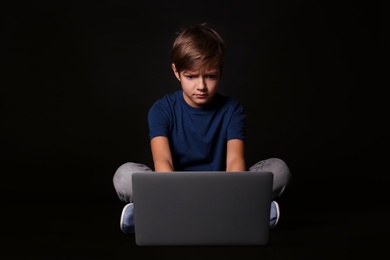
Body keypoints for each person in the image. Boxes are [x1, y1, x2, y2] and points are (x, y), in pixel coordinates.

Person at [113, 22, 292, 234]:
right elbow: (163, 161)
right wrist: (173, 194)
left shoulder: (232, 110)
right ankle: (247, 215)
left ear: (220, 72)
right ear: (176, 72)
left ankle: (156, 217)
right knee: (124, 176)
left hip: (222, 191)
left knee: (279, 170)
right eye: (191, 77)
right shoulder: (161, 110)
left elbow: (235, 161)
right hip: (173, 189)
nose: (201, 86)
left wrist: (233, 192)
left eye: (210, 76)